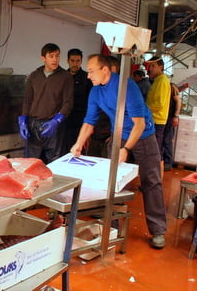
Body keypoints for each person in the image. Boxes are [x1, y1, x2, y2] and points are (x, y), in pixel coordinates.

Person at [70, 54, 167, 249]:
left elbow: (139, 124)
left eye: (91, 71)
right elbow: (90, 120)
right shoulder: (96, 91)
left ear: (105, 70)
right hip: (118, 136)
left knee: (151, 181)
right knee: (111, 181)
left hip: (143, 136)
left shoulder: (127, 87)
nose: (88, 76)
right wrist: (78, 143)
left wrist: (126, 148)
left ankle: (158, 230)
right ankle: (111, 226)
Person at [19, 43, 73, 164]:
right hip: (34, 124)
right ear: (43, 58)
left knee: (55, 162)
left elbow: (68, 103)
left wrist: (56, 121)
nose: (55, 59)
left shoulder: (66, 77)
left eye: (57, 56)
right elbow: (27, 100)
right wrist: (23, 121)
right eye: (51, 56)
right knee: (30, 163)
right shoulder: (34, 75)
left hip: (54, 125)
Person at [86, 55, 119, 157]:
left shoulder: (121, 91)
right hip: (96, 135)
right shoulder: (96, 89)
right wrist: (87, 134)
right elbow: (90, 116)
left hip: (110, 136)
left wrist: (115, 136)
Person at [64, 48, 93, 155]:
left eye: (78, 61)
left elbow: (91, 103)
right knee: (63, 151)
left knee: (79, 150)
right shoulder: (62, 76)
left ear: (81, 61)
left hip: (80, 120)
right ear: (68, 61)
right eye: (72, 61)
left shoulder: (87, 78)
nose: (75, 64)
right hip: (63, 120)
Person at [146, 56, 171, 175]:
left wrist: (144, 108)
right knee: (154, 151)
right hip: (154, 119)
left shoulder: (162, 81)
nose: (150, 68)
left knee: (155, 152)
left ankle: (157, 180)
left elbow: (159, 103)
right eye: (150, 66)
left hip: (157, 120)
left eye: (153, 66)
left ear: (161, 66)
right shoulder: (158, 80)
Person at [162, 83, 181, 171]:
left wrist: (176, 116)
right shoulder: (163, 87)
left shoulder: (171, 87)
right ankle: (163, 161)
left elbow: (178, 101)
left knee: (167, 140)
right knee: (162, 140)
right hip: (163, 117)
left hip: (169, 117)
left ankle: (168, 162)